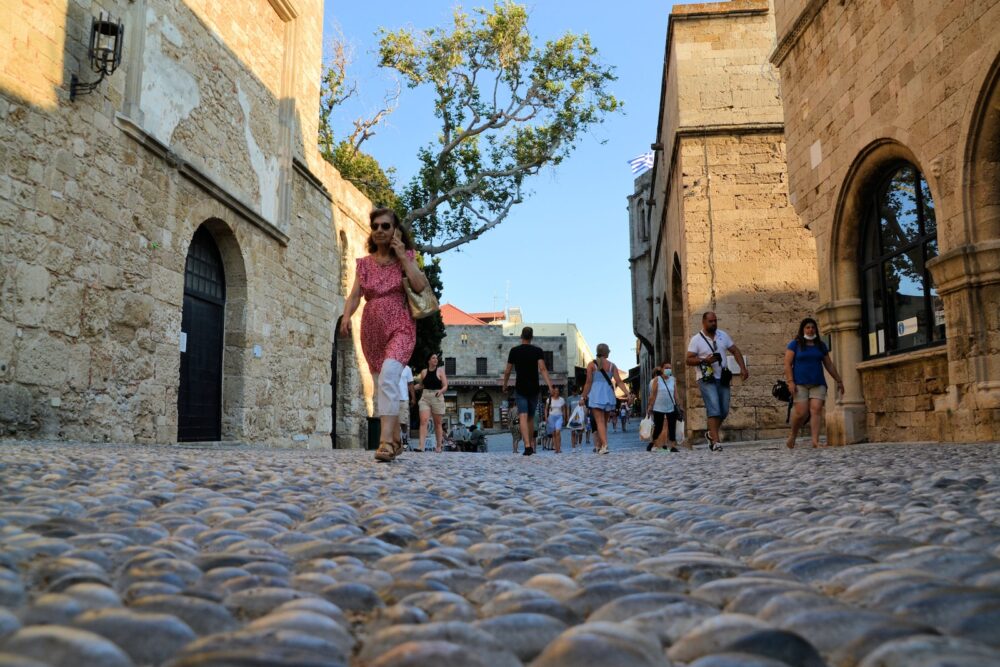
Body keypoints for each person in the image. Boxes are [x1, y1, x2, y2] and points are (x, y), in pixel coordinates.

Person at [340, 208, 426, 462]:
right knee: (382, 386)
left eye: (385, 226)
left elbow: (420, 286)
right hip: (372, 330)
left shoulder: (406, 258)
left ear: (395, 230)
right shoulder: (364, 265)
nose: (379, 230)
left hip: (401, 326)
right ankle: (396, 438)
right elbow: (355, 295)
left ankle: (386, 443)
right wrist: (346, 316)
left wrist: (402, 255)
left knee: (389, 377)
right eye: (375, 226)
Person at [686, 311, 749, 451]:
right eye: (711, 321)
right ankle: (716, 442)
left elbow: (735, 351)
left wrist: (743, 368)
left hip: (723, 377)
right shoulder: (696, 339)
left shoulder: (723, 335)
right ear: (704, 322)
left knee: (724, 410)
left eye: (715, 321)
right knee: (714, 408)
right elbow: (688, 359)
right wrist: (704, 360)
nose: (714, 323)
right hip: (706, 378)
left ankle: (710, 433)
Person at [784, 317, 845, 449]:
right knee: (801, 412)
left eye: (812, 327)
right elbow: (787, 364)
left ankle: (815, 441)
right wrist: (790, 382)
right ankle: (793, 434)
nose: (810, 330)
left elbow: (828, 364)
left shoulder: (820, 345)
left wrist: (839, 380)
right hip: (800, 383)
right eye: (807, 327)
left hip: (818, 383)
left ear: (815, 329)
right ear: (803, 329)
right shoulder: (794, 344)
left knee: (816, 410)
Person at [501, 327, 555, 456]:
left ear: (521, 336)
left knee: (523, 416)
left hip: (520, 387)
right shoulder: (537, 351)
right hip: (534, 388)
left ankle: (527, 446)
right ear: (532, 337)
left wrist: (505, 384)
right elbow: (542, 369)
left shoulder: (514, 351)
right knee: (530, 417)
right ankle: (530, 443)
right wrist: (550, 386)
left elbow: (508, 370)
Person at [580, 343, 632, 454]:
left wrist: (583, 396)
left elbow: (588, 383)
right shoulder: (612, 365)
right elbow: (619, 381)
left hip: (596, 394)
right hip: (608, 394)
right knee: (603, 422)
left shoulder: (591, 365)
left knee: (599, 422)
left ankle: (604, 445)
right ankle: (600, 445)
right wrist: (627, 393)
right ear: (606, 352)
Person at [647, 361, 686, 452]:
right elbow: (653, 394)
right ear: (661, 369)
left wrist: (679, 405)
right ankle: (653, 442)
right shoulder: (657, 380)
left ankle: (672, 446)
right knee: (658, 427)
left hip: (671, 406)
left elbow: (675, 394)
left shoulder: (673, 380)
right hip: (658, 407)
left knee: (672, 426)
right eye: (666, 368)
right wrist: (650, 406)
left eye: (670, 368)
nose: (668, 369)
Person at [416, 352, 449, 453]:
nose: (436, 360)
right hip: (425, 397)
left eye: (436, 358)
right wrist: (410, 387)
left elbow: (445, 385)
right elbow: (422, 385)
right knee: (423, 421)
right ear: (429, 360)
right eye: (433, 358)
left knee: (437, 423)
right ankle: (421, 446)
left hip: (437, 396)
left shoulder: (440, 371)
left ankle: (438, 446)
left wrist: (441, 391)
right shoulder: (424, 372)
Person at [544, 388, 569, 453]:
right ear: (553, 392)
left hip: (559, 417)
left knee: (558, 432)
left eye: (557, 391)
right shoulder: (549, 399)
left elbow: (564, 409)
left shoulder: (561, 399)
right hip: (551, 417)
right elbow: (546, 409)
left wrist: (565, 417)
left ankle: (559, 447)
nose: (556, 392)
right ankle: (556, 448)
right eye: (555, 391)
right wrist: (546, 417)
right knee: (554, 433)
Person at [399, 364, 416, 450]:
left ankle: (404, 436)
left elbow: (410, 384)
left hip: (403, 398)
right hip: (392, 398)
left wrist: (413, 397)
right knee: (393, 421)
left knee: (403, 421)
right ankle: (395, 440)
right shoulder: (390, 365)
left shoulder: (407, 368)